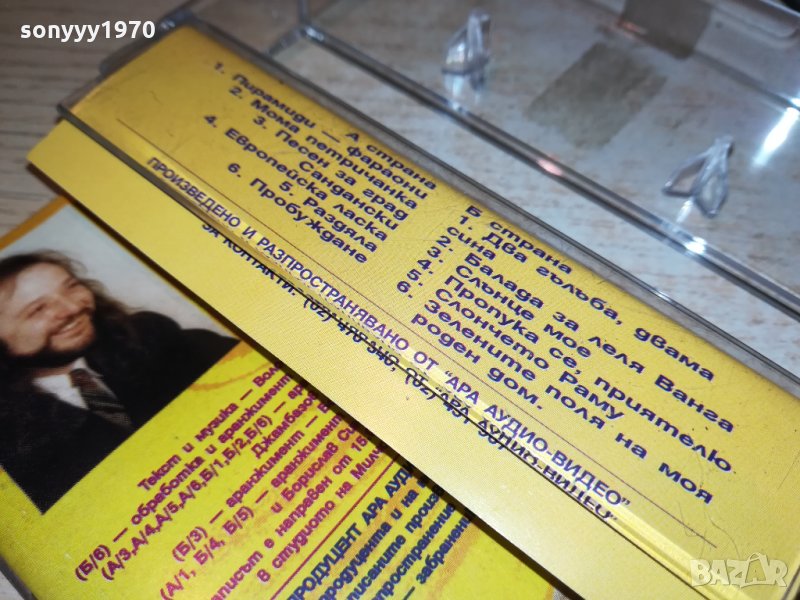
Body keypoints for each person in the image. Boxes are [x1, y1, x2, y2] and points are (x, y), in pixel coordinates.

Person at [0, 252, 237, 511]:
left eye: (71, 286)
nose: (72, 308)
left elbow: (248, 368)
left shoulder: (149, 334)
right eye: (37, 309)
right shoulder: (10, 450)